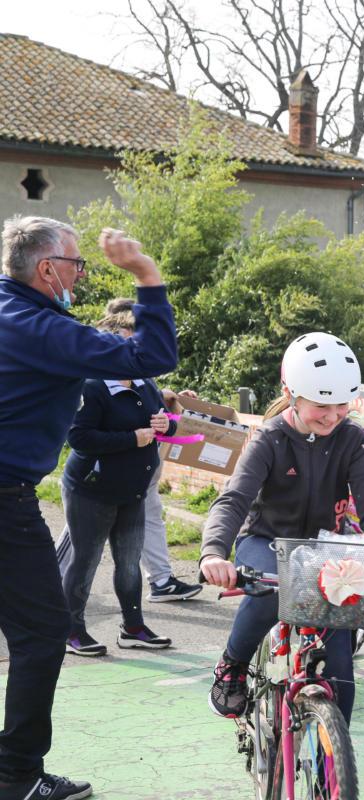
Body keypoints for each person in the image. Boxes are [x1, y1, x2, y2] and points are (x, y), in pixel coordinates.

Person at [0, 218, 177, 800]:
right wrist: (145, 274)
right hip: (5, 497)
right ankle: (17, 777)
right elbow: (152, 353)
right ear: (47, 268)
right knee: (42, 634)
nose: (81, 274)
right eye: (76, 264)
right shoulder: (38, 327)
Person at [200, 332, 364, 726]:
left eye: (342, 404)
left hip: (325, 550)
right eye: (321, 405)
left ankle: (335, 756)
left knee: (341, 669)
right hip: (266, 541)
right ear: (291, 393)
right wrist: (213, 553)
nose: (333, 416)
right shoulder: (269, 439)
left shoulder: (354, 441)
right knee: (272, 593)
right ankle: (233, 663)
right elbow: (234, 500)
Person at [57, 311, 177, 657]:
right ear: (106, 348)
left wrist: (166, 425)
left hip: (132, 490)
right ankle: (71, 631)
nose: (136, 351)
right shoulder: (90, 386)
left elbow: (167, 421)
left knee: (129, 562)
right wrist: (132, 439)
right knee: (85, 561)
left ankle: (133, 628)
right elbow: (78, 437)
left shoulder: (144, 382)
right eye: (128, 344)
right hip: (91, 490)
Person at [102, 296, 202, 603]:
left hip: (143, 466)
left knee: (150, 517)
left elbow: (149, 402)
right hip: (111, 467)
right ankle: (56, 582)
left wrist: (170, 400)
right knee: (85, 531)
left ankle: (161, 581)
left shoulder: (137, 363)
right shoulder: (104, 365)